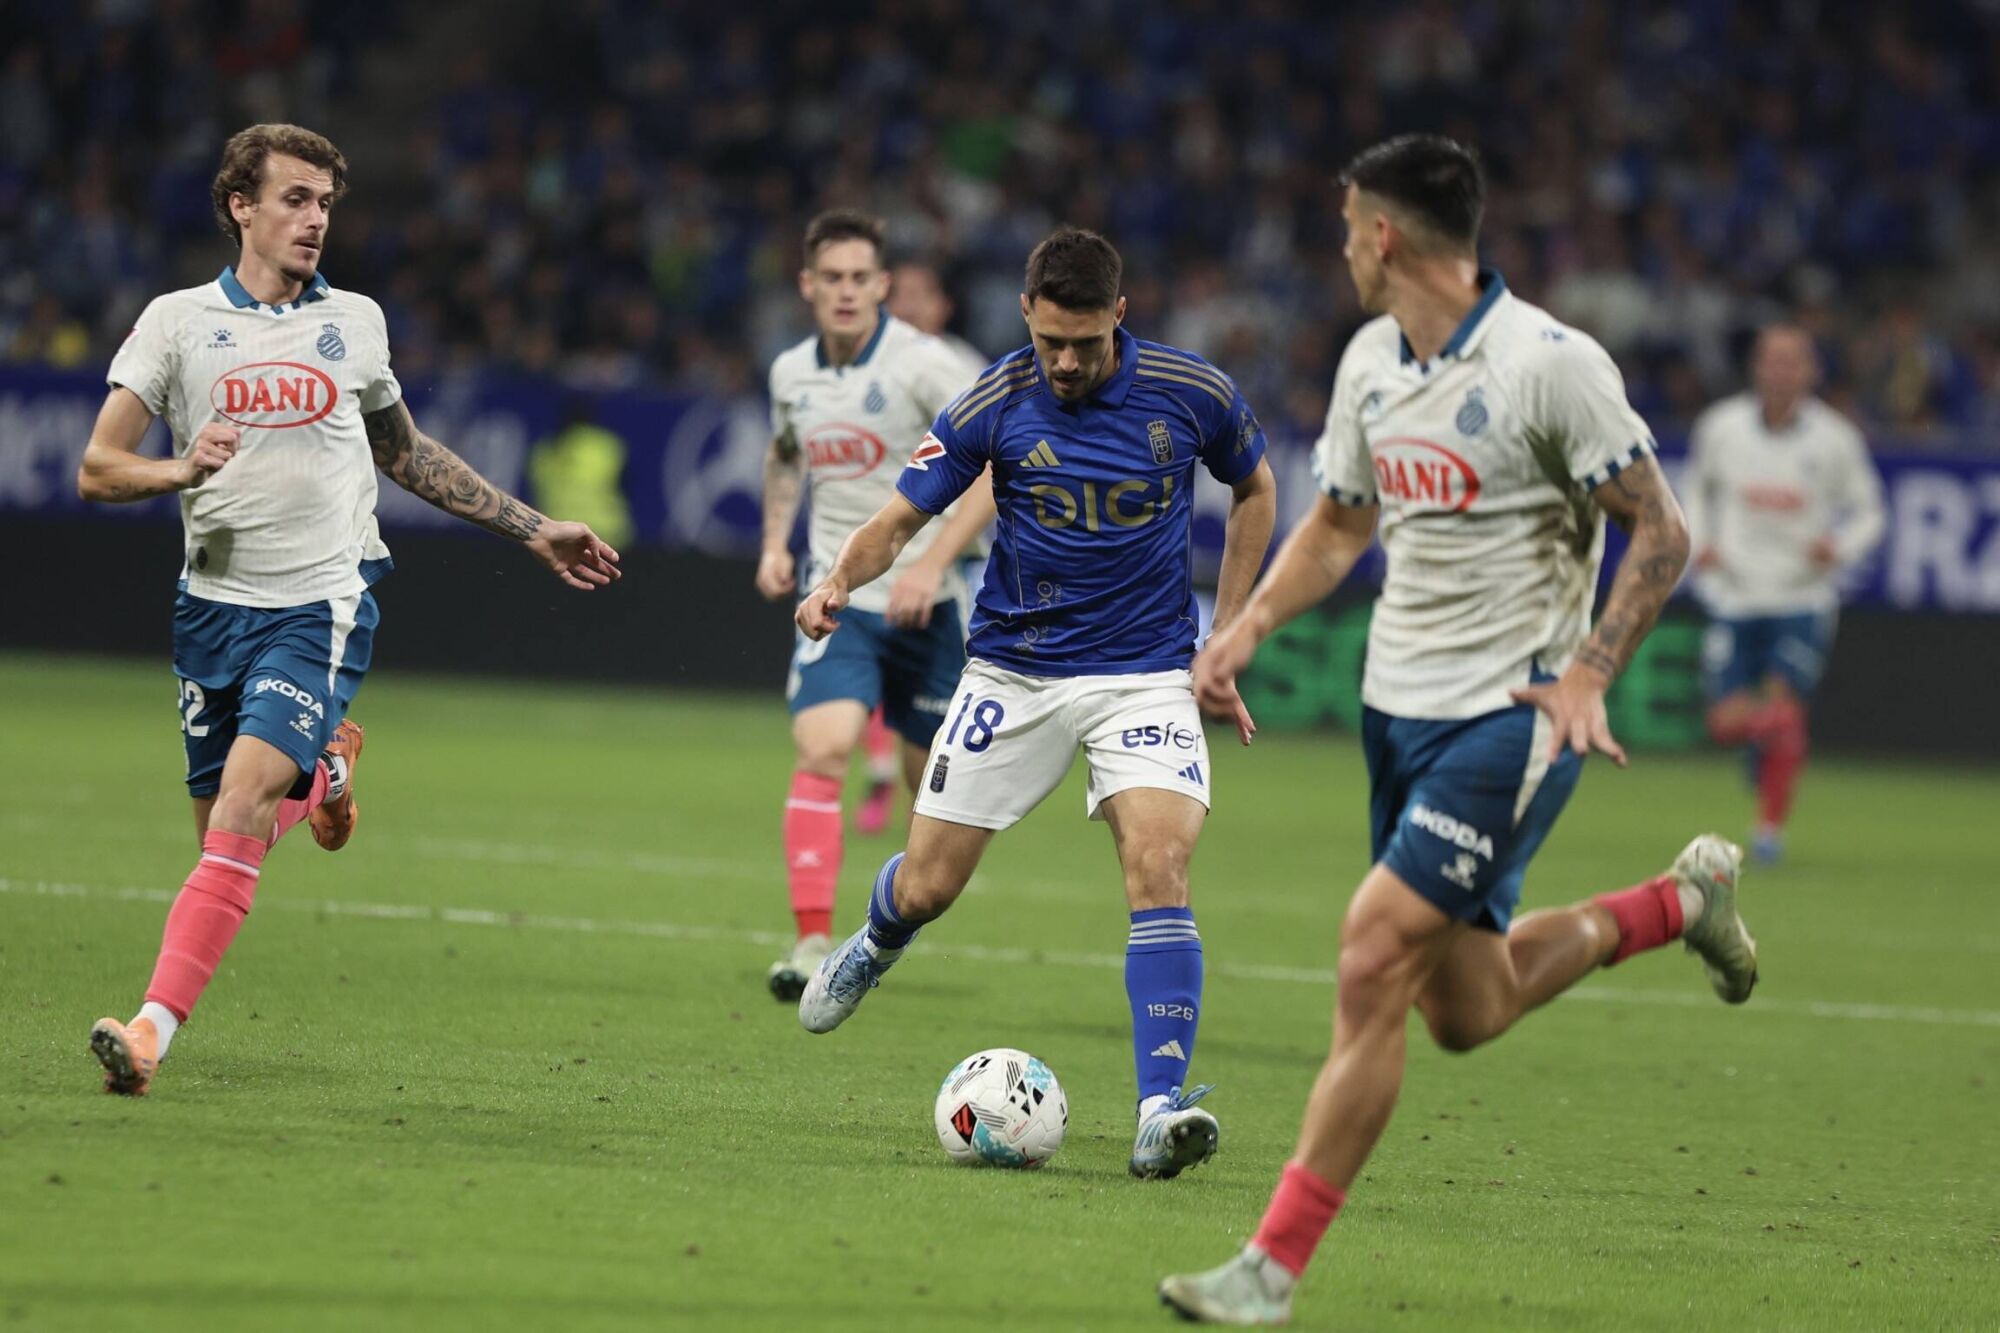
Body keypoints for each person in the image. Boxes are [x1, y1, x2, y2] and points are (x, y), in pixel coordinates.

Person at [1157, 135, 1759, 1322]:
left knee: (1371, 953)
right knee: (1465, 1010)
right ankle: (1681, 902)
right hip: (1398, 715)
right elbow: (1339, 525)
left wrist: (1588, 672)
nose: (1341, 250)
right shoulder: (1369, 363)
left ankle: (1267, 1268)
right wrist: (1247, 626)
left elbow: (1659, 528)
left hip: (1511, 716)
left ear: (1384, 235)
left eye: (1346, 230)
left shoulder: (1549, 365)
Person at [76, 124, 621, 1096]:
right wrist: (179, 468)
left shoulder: (355, 322)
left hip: (321, 600)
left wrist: (533, 527)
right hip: (211, 606)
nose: (315, 219)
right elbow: (96, 467)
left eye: (325, 202)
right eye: (294, 198)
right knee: (225, 835)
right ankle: (327, 771)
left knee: (241, 803)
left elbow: (404, 452)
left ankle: (151, 1029)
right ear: (240, 206)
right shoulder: (176, 322)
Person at [793, 226, 1279, 1180]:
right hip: (1014, 671)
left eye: (1084, 343)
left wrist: (1226, 632)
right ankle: (878, 938)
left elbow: (1254, 488)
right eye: (1049, 340)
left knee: (1161, 862)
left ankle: (1160, 1107)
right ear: (1025, 315)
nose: (1064, 361)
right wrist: (840, 581)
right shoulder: (994, 400)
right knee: (928, 886)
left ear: (1119, 316)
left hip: (1144, 672)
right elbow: (900, 516)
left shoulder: (1191, 392)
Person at [755, 211, 996, 1002]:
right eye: (833, 277)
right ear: (808, 285)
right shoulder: (791, 373)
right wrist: (775, 543)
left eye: (861, 277)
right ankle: (809, 941)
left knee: (937, 803)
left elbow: (996, 466)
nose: (847, 291)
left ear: (883, 284)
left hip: (930, 602)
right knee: (825, 747)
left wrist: (931, 562)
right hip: (840, 595)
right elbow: (784, 454)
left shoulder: (926, 365)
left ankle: (880, 937)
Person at [1682, 325, 1885, 864]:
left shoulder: (1835, 438)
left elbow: (1870, 510)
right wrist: (1701, 542)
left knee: (1783, 707)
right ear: (1756, 367)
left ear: (1811, 371)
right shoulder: (1721, 427)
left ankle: (1768, 831)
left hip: (1801, 597)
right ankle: (1767, 746)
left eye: (1792, 361)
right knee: (1727, 723)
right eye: (1772, 360)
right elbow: (1696, 489)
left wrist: (1839, 547)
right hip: (1735, 592)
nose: (1781, 371)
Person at [840, 260, 991, 837]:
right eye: (897, 293)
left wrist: (939, 557)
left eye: (920, 294)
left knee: (938, 716)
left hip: (952, 559)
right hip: (884, 547)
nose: (906, 305)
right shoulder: (861, 366)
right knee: (857, 675)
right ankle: (881, 768)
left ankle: (925, 831)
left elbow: (993, 469)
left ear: (944, 305)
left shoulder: (966, 370)